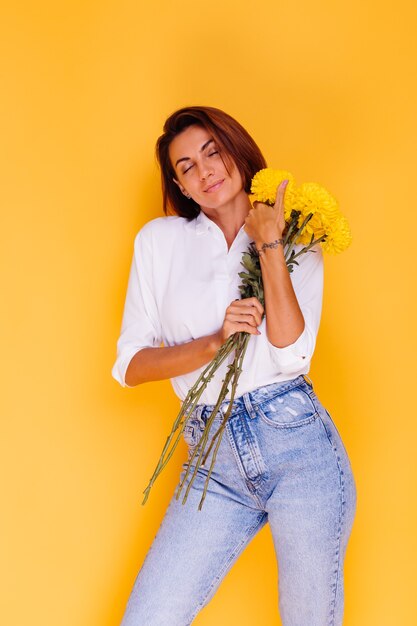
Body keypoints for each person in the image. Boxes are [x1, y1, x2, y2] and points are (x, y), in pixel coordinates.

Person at [111, 105, 357, 626]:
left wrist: (269, 242)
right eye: (186, 167)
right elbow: (131, 365)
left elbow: (292, 352)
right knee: (148, 617)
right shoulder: (159, 243)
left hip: (299, 448)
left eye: (212, 151)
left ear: (235, 149)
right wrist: (214, 342)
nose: (205, 171)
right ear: (180, 185)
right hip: (211, 458)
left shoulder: (297, 233)